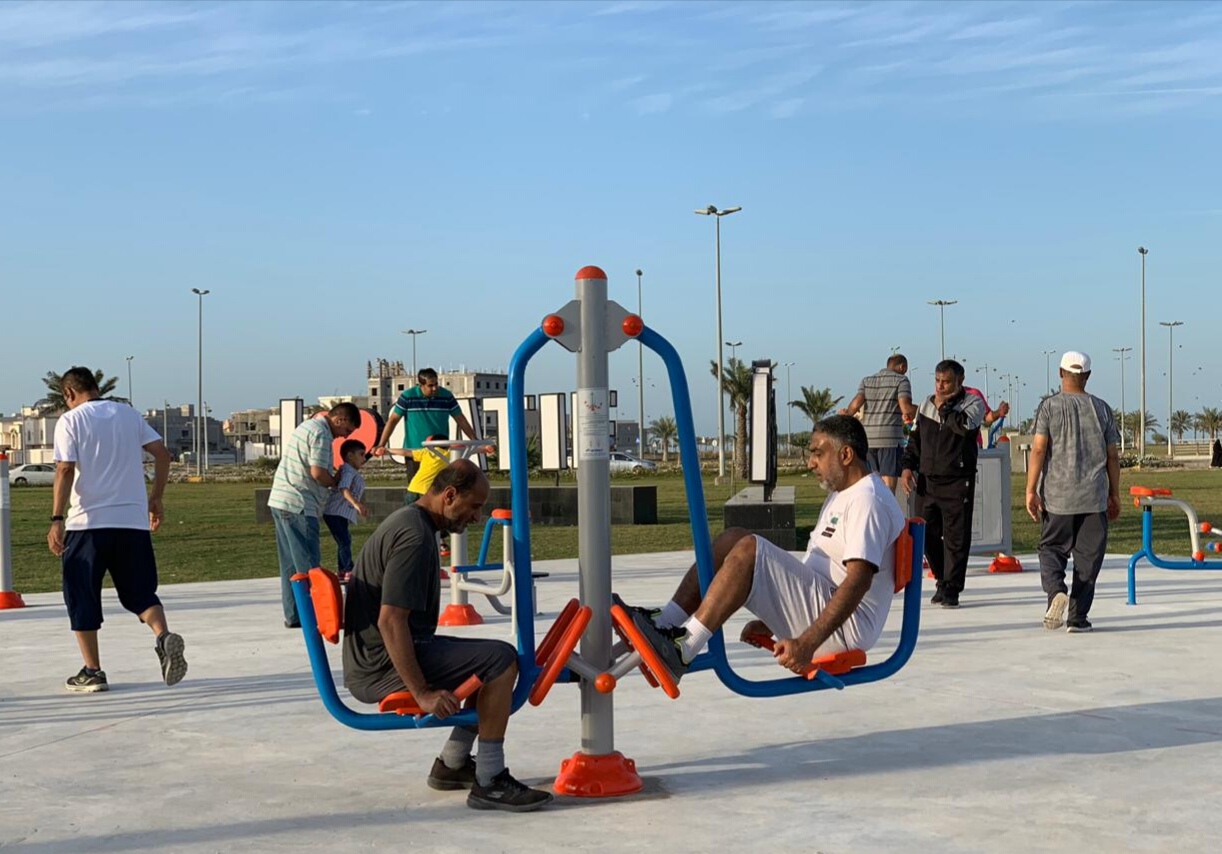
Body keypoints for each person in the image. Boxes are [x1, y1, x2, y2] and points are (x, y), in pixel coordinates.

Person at [621, 415, 905, 683]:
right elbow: (817, 573)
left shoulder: (868, 501)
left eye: (818, 453)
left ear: (845, 455)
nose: (810, 463)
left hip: (845, 630)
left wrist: (807, 643)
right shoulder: (843, 495)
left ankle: (683, 649)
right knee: (733, 537)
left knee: (749, 550)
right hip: (825, 611)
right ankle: (666, 621)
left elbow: (857, 581)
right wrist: (773, 620)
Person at [342, 460, 553, 812]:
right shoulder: (414, 537)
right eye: (474, 506)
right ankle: (490, 780)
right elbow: (390, 621)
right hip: (379, 667)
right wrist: (421, 693)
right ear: (450, 495)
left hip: (380, 657)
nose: (477, 517)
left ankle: (452, 765)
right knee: (500, 661)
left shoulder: (413, 524)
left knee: (486, 659)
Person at [46, 366, 186, 693]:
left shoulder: (71, 420)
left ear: (68, 393)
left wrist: (56, 518)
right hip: (132, 522)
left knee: (81, 594)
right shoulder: (128, 414)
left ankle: (92, 671)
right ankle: (163, 636)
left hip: (88, 524)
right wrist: (156, 498)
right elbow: (162, 454)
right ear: (96, 387)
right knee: (140, 592)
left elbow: (65, 469)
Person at [1025, 351, 1121, 633]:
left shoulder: (1049, 407)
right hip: (1094, 497)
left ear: (1060, 373)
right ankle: (1078, 618)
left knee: (1051, 549)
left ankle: (1056, 591)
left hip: (1058, 497)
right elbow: (1112, 456)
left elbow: (1039, 450)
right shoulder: (1102, 409)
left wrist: (1031, 490)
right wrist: (1114, 494)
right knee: (1088, 559)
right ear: (1088, 376)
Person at [900, 359, 986, 609]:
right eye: (937, 381)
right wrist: (907, 466)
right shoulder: (927, 404)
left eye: (946, 382)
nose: (940, 386)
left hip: (958, 481)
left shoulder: (973, 403)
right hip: (927, 482)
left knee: (956, 538)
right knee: (924, 534)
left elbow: (965, 428)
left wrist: (945, 408)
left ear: (960, 381)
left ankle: (952, 588)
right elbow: (915, 440)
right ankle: (942, 578)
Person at [268, 402, 360, 628]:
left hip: (281, 499)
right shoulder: (322, 434)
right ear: (339, 419)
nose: (344, 436)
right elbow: (318, 473)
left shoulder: (307, 426)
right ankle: (318, 616)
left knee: (290, 565)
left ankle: (295, 615)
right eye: (346, 430)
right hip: (300, 503)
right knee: (309, 564)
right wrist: (335, 481)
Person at [371, 368, 481, 498]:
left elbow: (460, 418)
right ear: (421, 385)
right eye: (430, 385)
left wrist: (474, 439)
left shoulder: (446, 396)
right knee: (416, 490)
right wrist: (381, 444)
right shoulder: (408, 396)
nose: (434, 388)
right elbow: (393, 420)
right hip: (415, 451)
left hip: (440, 453)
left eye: (436, 384)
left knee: (440, 492)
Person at [839, 354, 918, 489]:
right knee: (888, 487)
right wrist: (923, 410)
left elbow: (855, 404)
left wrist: (847, 415)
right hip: (890, 440)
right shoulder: (901, 380)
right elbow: (906, 408)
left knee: (872, 483)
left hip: (868, 440)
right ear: (902, 367)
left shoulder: (867, 381)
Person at [322, 439, 371, 584]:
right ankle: (347, 569)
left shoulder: (348, 470)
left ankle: (344, 569)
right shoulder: (348, 471)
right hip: (335, 512)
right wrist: (356, 504)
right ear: (350, 456)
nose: (364, 459)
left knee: (344, 540)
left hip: (340, 513)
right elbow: (344, 488)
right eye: (361, 454)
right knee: (344, 541)